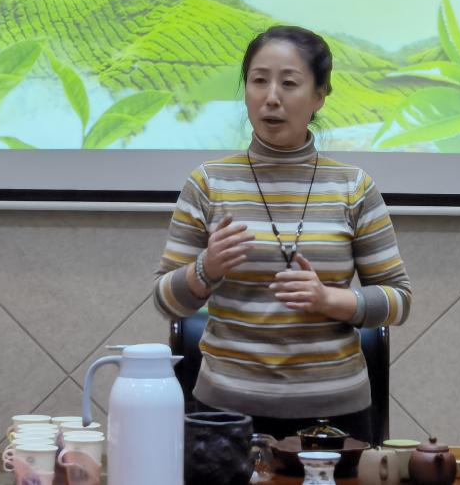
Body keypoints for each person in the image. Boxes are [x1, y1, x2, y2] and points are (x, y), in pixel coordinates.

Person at [153, 25, 412, 441]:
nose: (271, 97)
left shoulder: (353, 187)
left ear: (320, 95)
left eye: (289, 83)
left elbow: (399, 300)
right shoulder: (208, 183)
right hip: (226, 416)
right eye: (259, 81)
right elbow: (166, 299)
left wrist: (329, 299)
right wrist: (206, 268)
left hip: (335, 419)